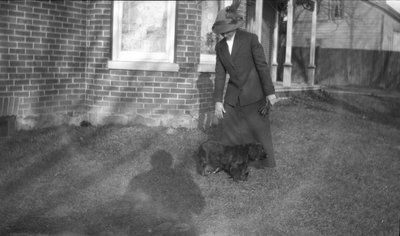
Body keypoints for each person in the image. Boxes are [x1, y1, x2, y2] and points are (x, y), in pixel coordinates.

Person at [212, 0, 278, 168]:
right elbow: (220, 74)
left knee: (258, 130)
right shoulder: (220, 47)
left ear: (235, 26)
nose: (224, 34)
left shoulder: (250, 39)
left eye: (226, 30)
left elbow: (262, 66)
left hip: (254, 92)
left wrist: (269, 93)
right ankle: (230, 162)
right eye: (222, 31)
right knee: (229, 128)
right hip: (233, 94)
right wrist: (218, 101)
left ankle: (263, 163)